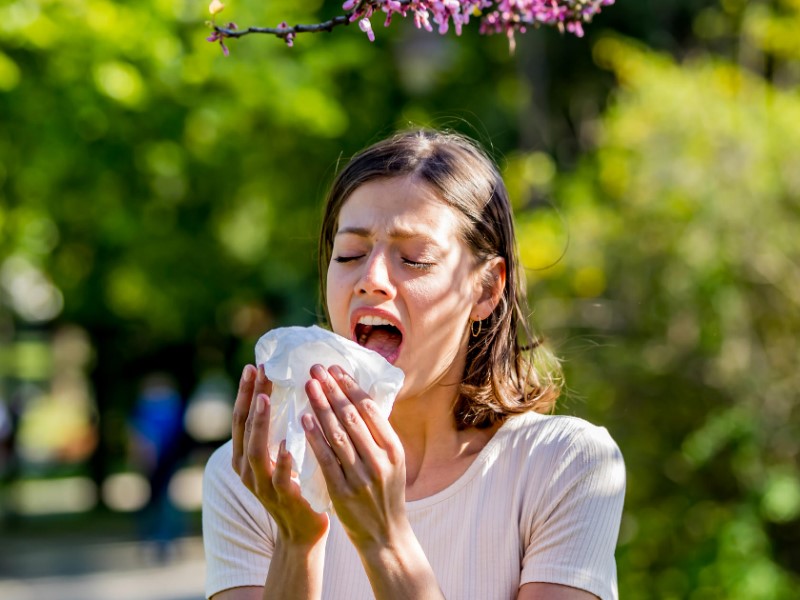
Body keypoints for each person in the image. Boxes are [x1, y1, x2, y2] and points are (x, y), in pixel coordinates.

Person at [202, 129, 626, 599]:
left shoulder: (563, 465)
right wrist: (296, 541)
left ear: (486, 289)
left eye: (415, 259)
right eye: (350, 254)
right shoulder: (252, 478)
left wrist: (386, 540)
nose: (371, 280)